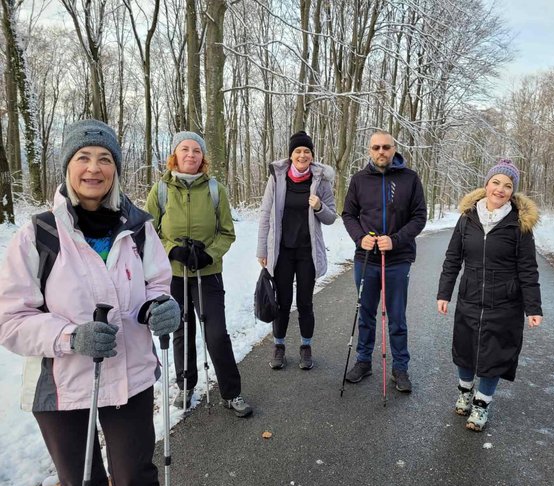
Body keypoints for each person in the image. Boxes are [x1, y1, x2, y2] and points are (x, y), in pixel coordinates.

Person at [0, 119, 179, 486]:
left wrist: (159, 307)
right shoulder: (37, 235)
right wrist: (70, 337)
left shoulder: (139, 228)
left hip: (131, 376)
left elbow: (157, 284)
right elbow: (10, 319)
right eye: (83, 157)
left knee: (137, 481)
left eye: (104, 158)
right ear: (68, 166)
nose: (94, 168)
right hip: (59, 385)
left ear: (115, 169)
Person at [145, 131, 252, 417]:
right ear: (175, 155)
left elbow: (227, 233)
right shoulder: (161, 190)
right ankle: (186, 384)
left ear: (203, 157)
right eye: (185, 149)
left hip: (209, 273)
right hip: (174, 274)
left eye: (196, 150)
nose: (191, 155)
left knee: (216, 334)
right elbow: (148, 231)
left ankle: (231, 392)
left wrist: (209, 254)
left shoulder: (215, 189)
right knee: (182, 329)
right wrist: (171, 249)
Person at [436, 159, 543, 431]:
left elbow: (528, 269)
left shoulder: (519, 225)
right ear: (486, 185)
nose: (500, 189)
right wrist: (444, 293)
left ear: (512, 192)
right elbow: (452, 259)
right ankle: (464, 391)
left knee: (494, 355)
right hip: (470, 296)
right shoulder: (467, 219)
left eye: (508, 186)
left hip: (505, 302)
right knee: (465, 348)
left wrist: (533, 308)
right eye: (496, 182)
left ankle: (481, 406)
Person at [342, 130, 427, 392]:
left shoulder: (410, 179)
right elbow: (348, 214)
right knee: (366, 313)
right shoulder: (358, 180)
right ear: (369, 151)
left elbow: (419, 217)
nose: (381, 152)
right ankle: (363, 361)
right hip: (366, 258)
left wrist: (397, 239)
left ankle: (400, 367)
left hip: (397, 259)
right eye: (376, 147)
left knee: (397, 317)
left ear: (394, 149)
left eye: (386, 147)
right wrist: (360, 238)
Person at [257, 131, 337, 370]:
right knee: (282, 302)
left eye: (306, 151)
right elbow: (265, 215)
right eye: (298, 151)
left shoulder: (321, 181)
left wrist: (319, 206)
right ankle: (279, 347)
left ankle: (305, 347)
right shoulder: (277, 178)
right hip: (281, 252)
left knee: (305, 303)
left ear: (312, 155)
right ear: (291, 155)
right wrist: (262, 249)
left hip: (306, 253)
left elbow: (332, 216)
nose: (302, 155)